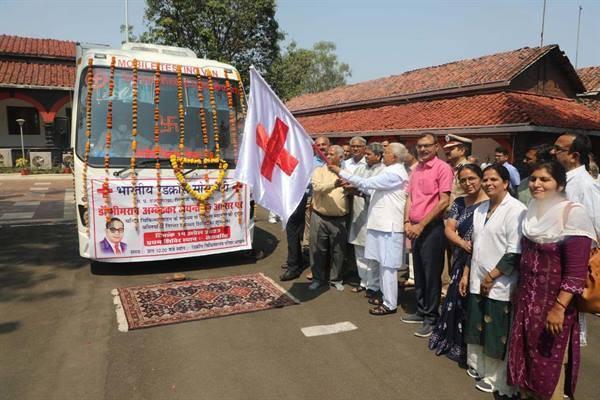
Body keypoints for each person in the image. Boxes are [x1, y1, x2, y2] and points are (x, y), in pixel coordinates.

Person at [507, 161, 596, 400]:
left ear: (560, 184)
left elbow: (576, 272)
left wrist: (559, 308)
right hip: (527, 301)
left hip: (554, 306)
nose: (537, 184)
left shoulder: (572, 213)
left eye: (545, 179)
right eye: (534, 178)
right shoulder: (531, 212)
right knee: (525, 355)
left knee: (549, 362)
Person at [462, 164, 526, 396]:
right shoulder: (481, 209)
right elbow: (476, 246)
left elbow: (514, 252)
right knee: (477, 324)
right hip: (478, 278)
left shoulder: (516, 210)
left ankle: (497, 378)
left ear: (506, 183)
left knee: (496, 329)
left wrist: (491, 276)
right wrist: (468, 273)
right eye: (486, 180)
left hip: (499, 282)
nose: (488, 183)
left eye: (494, 180)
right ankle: (478, 367)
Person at [330, 142, 409, 315]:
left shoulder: (395, 173)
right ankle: (384, 295)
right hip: (381, 225)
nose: (383, 154)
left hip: (389, 227)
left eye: (386, 152)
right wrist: (355, 187)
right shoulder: (389, 171)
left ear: (394, 157)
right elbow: (369, 189)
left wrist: (340, 171)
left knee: (388, 267)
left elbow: (367, 182)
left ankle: (390, 304)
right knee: (381, 264)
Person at [429, 164, 487, 365]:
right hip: (460, 256)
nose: (468, 183)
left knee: (474, 303)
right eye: (463, 180)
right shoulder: (460, 202)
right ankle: (454, 341)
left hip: (481, 261)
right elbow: (449, 228)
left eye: (472, 178)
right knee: (456, 299)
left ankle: (474, 349)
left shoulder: (490, 204)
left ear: (481, 178)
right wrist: (462, 243)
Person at [402, 133, 454, 338]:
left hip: (431, 228)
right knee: (420, 272)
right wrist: (407, 221)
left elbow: (444, 201)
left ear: (437, 147)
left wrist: (421, 225)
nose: (422, 150)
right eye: (419, 146)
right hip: (414, 227)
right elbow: (410, 198)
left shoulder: (443, 168)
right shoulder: (417, 170)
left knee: (432, 273)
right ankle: (421, 310)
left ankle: (432, 318)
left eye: (427, 146)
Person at [280, 136, 329, 281]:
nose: (321, 147)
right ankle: (294, 264)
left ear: (329, 145)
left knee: (316, 236)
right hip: (303, 198)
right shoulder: (309, 161)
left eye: (324, 145)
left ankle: (317, 267)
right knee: (293, 229)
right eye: (318, 145)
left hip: (322, 202)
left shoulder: (335, 162)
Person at [344, 143, 386, 297]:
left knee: (372, 253)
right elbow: (353, 182)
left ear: (378, 155)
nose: (366, 156)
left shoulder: (383, 170)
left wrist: (358, 191)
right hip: (358, 214)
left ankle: (373, 286)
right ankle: (363, 281)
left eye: (368, 154)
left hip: (373, 215)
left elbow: (373, 191)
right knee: (359, 250)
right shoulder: (361, 168)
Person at [308, 145, 349, 291]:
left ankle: (336, 279)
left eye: (332, 154)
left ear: (340, 157)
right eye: (328, 154)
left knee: (338, 251)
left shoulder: (347, 172)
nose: (329, 156)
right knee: (317, 250)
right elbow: (318, 188)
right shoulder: (318, 171)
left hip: (340, 218)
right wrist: (334, 184)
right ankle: (318, 278)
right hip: (320, 216)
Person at [443, 133, 472, 200]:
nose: (447, 152)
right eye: (447, 149)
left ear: (462, 151)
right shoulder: (447, 168)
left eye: (451, 149)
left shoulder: (469, 169)